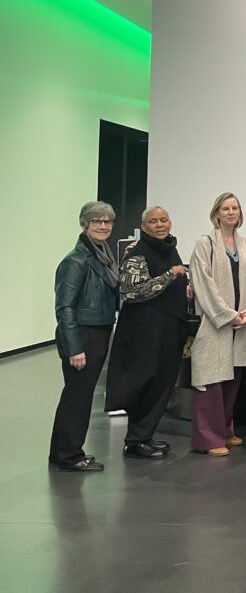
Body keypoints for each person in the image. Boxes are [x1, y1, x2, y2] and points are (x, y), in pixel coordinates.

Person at [105, 206, 190, 460]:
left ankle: (144, 436)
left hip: (168, 328)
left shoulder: (169, 247)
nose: (160, 224)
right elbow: (132, 291)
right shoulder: (138, 253)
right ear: (144, 227)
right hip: (145, 331)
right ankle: (135, 441)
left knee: (162, 382)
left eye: (164, 219)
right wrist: (169, 276)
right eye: (153, 221)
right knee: (145, 381)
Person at [189, 192, 246, 456]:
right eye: (226, 208)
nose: (231, 212)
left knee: (232, 379)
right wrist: (227, 314)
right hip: (215, 322)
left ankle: (225, 431)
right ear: (216, 213)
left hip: (241, 322)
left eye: (235, 208)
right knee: (211, 380)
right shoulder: (204, 243)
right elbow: (203, 283)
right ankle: (208, 438)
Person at [49, 201, 120, 473]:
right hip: (84, 335)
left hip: (99, 331)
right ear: (84, 224)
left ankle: (61, 452)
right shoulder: (76, 260)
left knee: (76, 395)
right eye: (96, 221)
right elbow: (64, 307)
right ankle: (70, 455)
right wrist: (75, 347)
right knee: (78, 397)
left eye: (107, 221)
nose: (103, 226)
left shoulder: (102, 254)